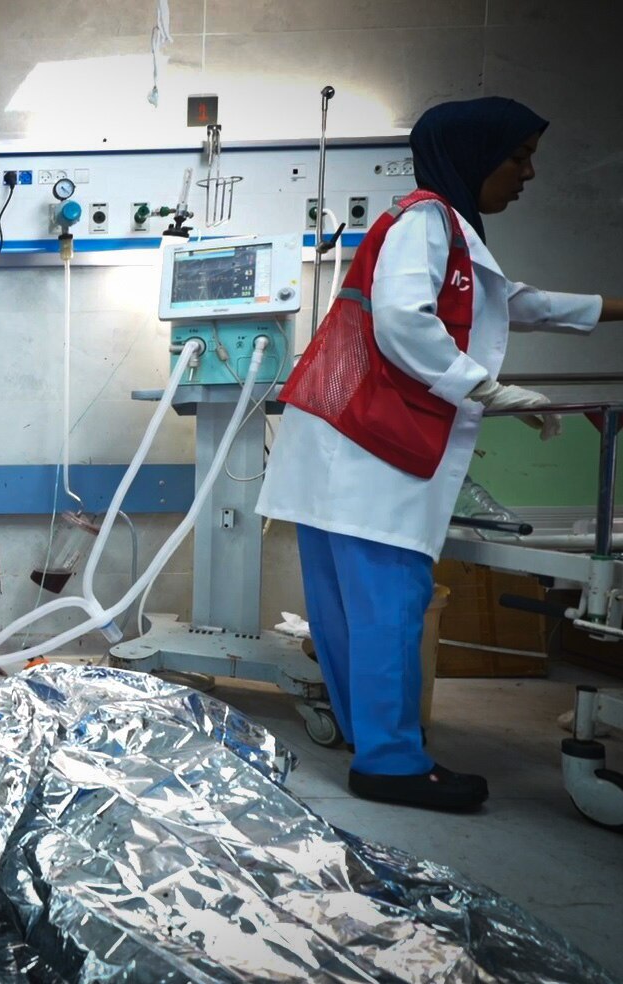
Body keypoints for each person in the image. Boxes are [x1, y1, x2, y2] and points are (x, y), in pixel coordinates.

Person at [260, 97, 623, 812]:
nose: (528, 173)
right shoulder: (427, 221)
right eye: (517, 157)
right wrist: (487, 389)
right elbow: (402, 321)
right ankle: (392, 764)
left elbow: (513, 301)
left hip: (337, 447)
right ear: (474, 154)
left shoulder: (445, 233)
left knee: (348, 608)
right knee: (392, 605)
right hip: (368, 452)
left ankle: (376, 743)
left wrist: (613, 307)